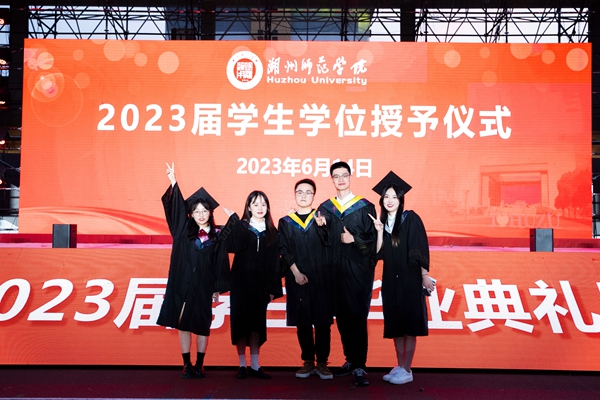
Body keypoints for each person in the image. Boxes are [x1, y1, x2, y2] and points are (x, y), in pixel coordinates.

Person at [156, 162, 230, 379]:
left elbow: (221, 262)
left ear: (210, 212)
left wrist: (217, 288)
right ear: (191, 214)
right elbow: (177, 211)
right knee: (184, 325)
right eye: (196, 211)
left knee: (202, 325)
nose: (200, 214)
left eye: (204, 210)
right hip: (183, 285)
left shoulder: (217, 236)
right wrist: (173, 182)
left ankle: (200, 364)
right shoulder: (182, 232)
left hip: (204, 286)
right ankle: (186, 364)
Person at [369, 171, 434, 385]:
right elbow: (378, 253)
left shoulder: (410, 218)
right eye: (386, 197)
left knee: (409, 324)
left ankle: (407, 369)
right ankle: (399, 366)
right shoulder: (382, 223)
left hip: (410, 280)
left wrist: (424, 275)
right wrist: (379, 232)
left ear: (401, 199)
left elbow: (419, 247)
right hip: (390, 280)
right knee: (396, 324)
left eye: (394, 197)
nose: (390, 200)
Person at [317, 161, 377, 387]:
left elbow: (376, 240)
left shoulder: (365, 207)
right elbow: (322, 243)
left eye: (344, 175)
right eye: (336, 176)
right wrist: (321, 228)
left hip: (357, 269)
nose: (341, 179)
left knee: (357, 316)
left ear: (350, 177)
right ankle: (350, 360)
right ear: (332, 179)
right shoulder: (325, 208)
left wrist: (355, 239)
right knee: (341, 316)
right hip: (334, 270)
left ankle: (360, 364)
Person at [222, 191, 282, 380]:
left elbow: (275, 262)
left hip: (261, 284)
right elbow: (229, 246)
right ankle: (242, 364)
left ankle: (255, 365)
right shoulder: (242, 226)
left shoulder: (272, 231)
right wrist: (233, 222)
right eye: (255, 204)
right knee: (240, 323)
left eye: (263, 204)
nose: (260, 208)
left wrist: (273, 287)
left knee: (257, 325)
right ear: (248, 207)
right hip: (240, 282)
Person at [278, 178, 333, 380]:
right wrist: (295, 272)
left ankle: (323, 362)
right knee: (303, 321)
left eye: (308, 192)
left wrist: (324, 227)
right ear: (294, 194)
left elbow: (330, 245)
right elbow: (284, 248)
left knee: (322, 321)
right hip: (297, 277)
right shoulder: (285, 222)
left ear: (314, 195)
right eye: (299, 192)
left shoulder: (322, 218)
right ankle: (308, 361)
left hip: (321, 277)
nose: (303, 196)